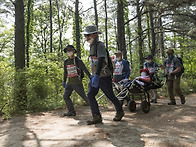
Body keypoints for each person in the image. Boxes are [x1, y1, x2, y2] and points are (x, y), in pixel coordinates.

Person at [83, 25, 124, 125]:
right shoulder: (91, 46)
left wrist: (97, 75)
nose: (86, 37)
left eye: (88, 35)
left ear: (95, 34)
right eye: (85, 35)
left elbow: (101, 59)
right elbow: (93, 61)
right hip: (95, 76)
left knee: (110, 95)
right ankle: (96, 116)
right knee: (90, 95)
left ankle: (120, 111)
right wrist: (93, 76)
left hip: (104, 75)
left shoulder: (100, 45)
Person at [63, 45, 91, 116]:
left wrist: (90, 77)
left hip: (77, 82)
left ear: (73, 51)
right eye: (67, 51)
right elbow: (65, 72)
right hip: (69, 82)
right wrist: (64, 81)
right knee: (66, 96)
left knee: (84, 97)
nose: (69, 52)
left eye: (70, 50)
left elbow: (84, 69)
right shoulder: (66, 61)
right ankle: (71, 111)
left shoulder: (78, 60)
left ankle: (95, 110)